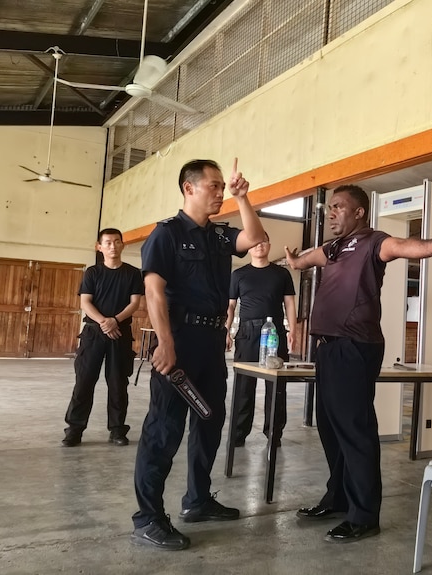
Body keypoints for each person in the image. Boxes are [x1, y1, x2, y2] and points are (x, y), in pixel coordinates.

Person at [285, 184, 432, 543]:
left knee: (355, 431)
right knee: (331, 428)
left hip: (354, 347)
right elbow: (312, 258)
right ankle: (339, 497)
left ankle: (364, 516)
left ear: (359, 212)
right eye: (330, 207)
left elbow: (404, 246)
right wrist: (296, 261)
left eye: (339, 207)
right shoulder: (333, 248)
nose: (331, 213)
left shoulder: (374, 241)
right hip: (326, 347)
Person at [131, 158, 266, 551]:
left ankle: (197, 500)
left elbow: (255, 238)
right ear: (189, 188)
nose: (220, 192)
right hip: (181, 339)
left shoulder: (219, 236)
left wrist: (244, 198)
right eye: (214, 186)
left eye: (223, 186)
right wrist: (166, 341)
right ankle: (147, 517)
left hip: (211, 341)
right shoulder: (166, 234)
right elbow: (155, 292)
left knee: (209, 422)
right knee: (164, 429)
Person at [62, 228, 143, 447]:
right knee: (84, 382)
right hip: (93, 333)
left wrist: (115, 321)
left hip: (120, 332)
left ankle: (117, 430)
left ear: (123, 245)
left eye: (117, 242)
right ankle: (74, 430)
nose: (112, 246)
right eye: (107, 243)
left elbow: (134, 303)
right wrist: (104, 322)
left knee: (118, 384)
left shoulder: (133, 273)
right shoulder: (92, 273)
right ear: (99, 247)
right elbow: (85, 302)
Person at [225, 232, 298, 447]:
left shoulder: (281, 274)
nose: (259, 245)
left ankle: (274, 435)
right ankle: (238, 434)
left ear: (269, 244)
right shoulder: (238, 275)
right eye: (255, 242)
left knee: (276, 386)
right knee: (244, 385)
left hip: (275, 333)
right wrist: (226, 331)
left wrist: (292, 330)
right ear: (248, 247)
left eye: (263, 241)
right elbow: (230, 306)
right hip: (247, 333)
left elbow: (290, 304)